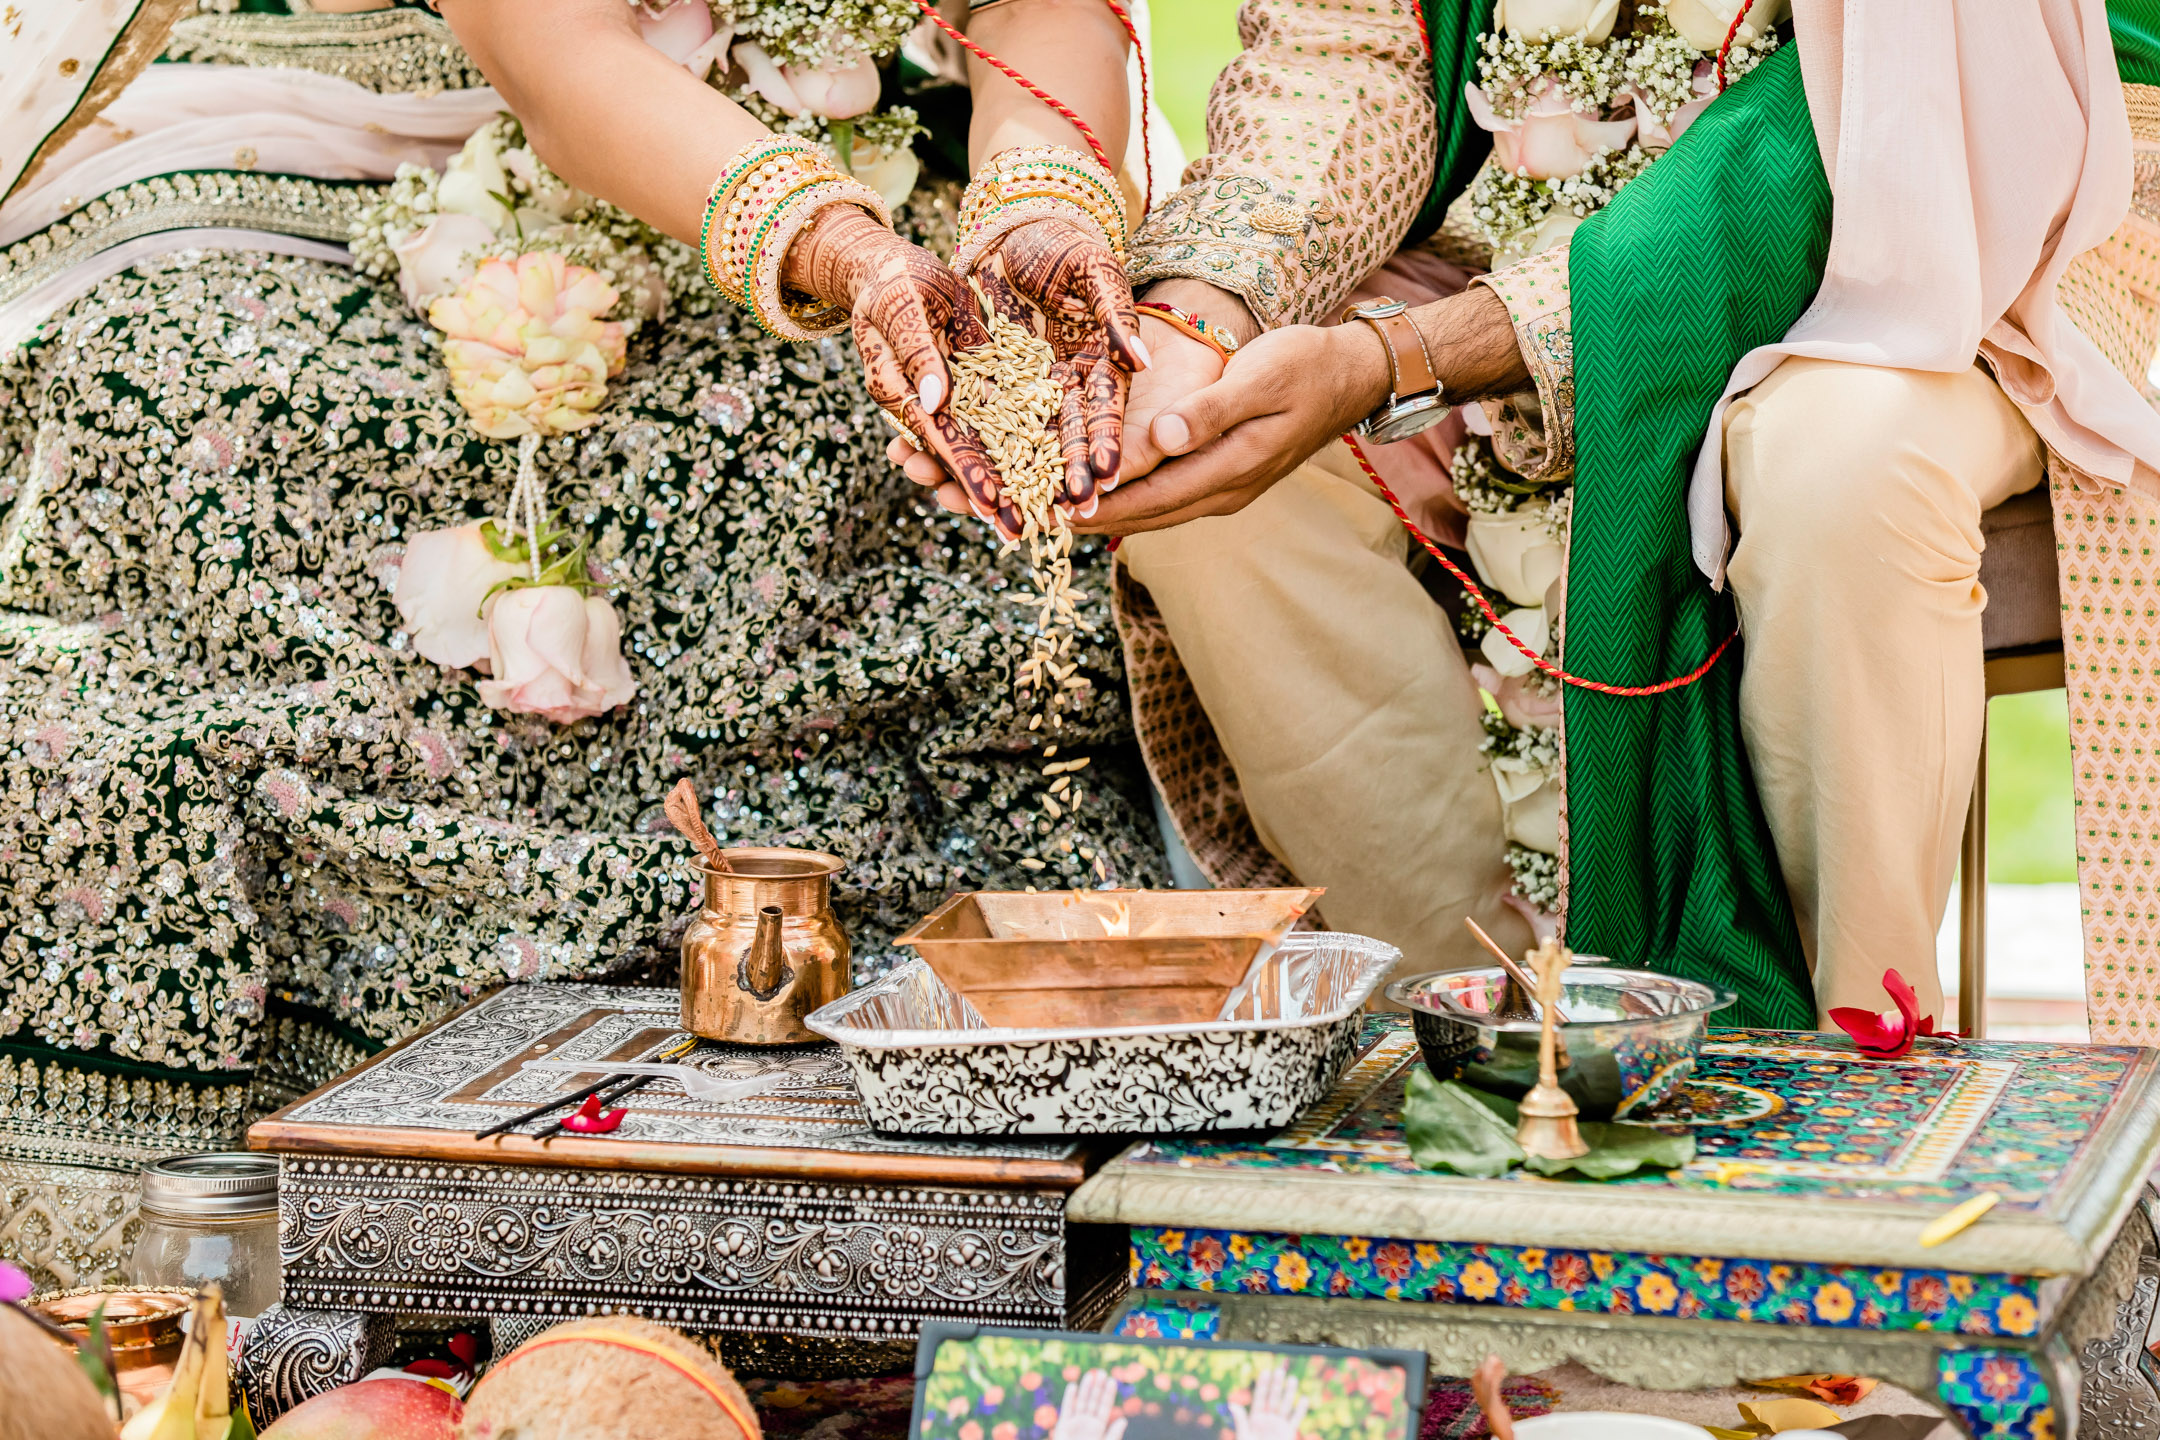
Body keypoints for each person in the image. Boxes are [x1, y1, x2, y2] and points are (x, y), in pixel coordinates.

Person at [0, 0, 1169, 1286]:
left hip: (864, 163)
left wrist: (1031, 217)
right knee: (197, 392)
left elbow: (1037, 17)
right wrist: (841, 251)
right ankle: (268, 1207)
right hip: (367, 142)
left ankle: (925, 1116)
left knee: (916, 418)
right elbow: (559, 61)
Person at [902, 0, 2160, 1031]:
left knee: (1841, 463)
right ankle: (1455, 1050)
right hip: (1491, 259)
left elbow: (1862, 138)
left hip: (1989, 244)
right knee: (1220, 478)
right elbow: (1347, 57)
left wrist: (1407, 357)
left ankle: (1845, 1081)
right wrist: (1196, 324)